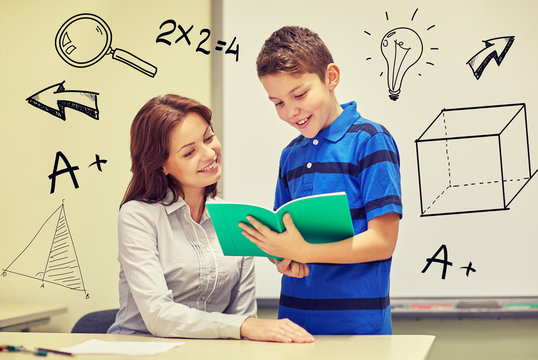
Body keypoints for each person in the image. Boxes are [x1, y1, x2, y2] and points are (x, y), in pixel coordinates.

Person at [108, 94, 313, 343]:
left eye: (208, 138)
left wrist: (247, 327)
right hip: (140, 349)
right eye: (189, 152)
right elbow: (158, 316)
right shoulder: (138, 216)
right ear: (161, 165)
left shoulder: (234, 218)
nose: (209, 154)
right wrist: (245, 326)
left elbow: (243, 316)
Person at [239, 26, 402, 335]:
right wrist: (283, 257)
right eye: (278, 103)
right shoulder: (291, 155)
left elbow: (382, 242)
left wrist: (304, 251)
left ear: (331, 77)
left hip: (358, 331)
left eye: (299, 94)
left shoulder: (370, 140)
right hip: (294, 325)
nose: (291, 111)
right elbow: (285, 237)